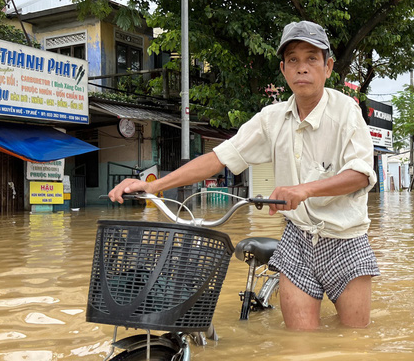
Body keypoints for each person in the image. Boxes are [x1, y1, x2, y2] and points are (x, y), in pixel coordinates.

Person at [108, 20, 379, 331]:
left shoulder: (346, 111)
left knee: (355, 340)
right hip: (298, 239)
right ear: (283, 69)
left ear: (328, 67)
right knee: (302, 343)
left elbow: (360, 174)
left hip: (346, 238)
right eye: (293, 60)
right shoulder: (271, 118)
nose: (302, 68)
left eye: (312, 59)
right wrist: (153, 186)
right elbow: (217, 158)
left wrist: (305, 189)